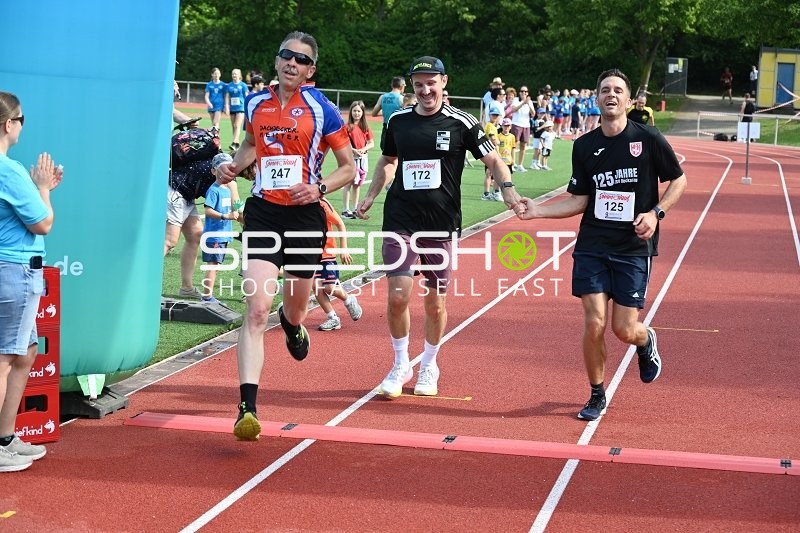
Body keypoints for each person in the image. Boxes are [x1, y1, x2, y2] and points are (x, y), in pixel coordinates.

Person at [514, 68, 687, 421]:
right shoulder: (585, 145)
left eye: (617, 90)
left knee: (623, 330)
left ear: (628, 100)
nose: (611, 94)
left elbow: (679, 180)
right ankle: (596, 393)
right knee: (594, 324)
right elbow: (579, 200)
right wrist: (538, 212)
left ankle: (646, 339)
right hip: (592, 245)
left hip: (633, 248)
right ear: (597, 98)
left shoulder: (649, 138)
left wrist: (656, 213)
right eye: (605, 89)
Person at [215, 31, 355, 441]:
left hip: (305, 216)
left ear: (311, 69)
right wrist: (232, 166)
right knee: (256, 308)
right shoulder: (255, 101)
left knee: (294, 305)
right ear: (276, 61)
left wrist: (320, 189)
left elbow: (348, 167)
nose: (291, 63)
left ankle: (292, 324)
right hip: (262, 213)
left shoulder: (322, 108)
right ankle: (247, 408)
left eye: (301, 59)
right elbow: (250, 148)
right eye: (286, 56)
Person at [356, 56, 521, 399]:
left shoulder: (463, 122)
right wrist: (371, 194)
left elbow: (493, 159)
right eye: (419, 84)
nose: (425, 89)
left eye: (431, 82)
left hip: (442, 224)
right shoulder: (399, 121)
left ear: (444, 82)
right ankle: (401, 363)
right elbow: (388, 160)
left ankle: (430, 363)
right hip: (401, 219)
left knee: (435, 302)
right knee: (399, 296)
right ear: (413, 87)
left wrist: (507, 190)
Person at [0, 91, 62, 472]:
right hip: (14, 270)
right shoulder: (9, 170)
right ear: (8, 124)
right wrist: (42, 188)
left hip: (13, 269)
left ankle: (5, 436)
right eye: (21, 119)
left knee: (24, 354)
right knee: (6, 357)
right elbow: (43, 223)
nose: (23, 125)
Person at [314, 197, 363, 331]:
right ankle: (333, 318)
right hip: (311, 256)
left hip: (326, 254)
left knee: (330, 288)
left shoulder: (322, 204)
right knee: (316, 287)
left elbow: (340, 223)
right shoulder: (297, 207)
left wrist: (344, 249)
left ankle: (349, 299)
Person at [200, 153, 241, 303]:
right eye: (222, 169)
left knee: (216, 265)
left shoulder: (229, 188)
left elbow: (236, 206)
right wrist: (225, 216)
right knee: (213, 265)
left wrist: (236, 210)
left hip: (223, 235)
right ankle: (206, 296)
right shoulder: (214, 190)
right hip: (214, 236)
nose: (226, 172)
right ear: (214, 171)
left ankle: (208, 295)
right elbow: (208, 211)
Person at [342, 100, 374, 218]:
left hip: (362, 160)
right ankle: (346, 210)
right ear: (351, 112)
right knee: (348, 184)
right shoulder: (347, 127)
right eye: (354, 111)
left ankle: (355, 208)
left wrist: (364, 149)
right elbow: (344, 143)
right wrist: (354, 150)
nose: (356, 113)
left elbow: (371, 143)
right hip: (351, 160)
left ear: (362, 113)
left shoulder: (365, 127)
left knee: (357, 184)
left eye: (359, 111)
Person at [371, 76, 405, 150]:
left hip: (386, 129)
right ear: (402, 86)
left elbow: (374, 113)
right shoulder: (401, 98)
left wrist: (386, 111)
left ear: (392, 85)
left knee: (385, 154)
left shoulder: (382, 97)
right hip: (397, 129)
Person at [509, 85, 535, 172]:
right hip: (516, 124)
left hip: (526, 125)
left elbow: (533, 113)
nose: (524, 93)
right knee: (514, 145)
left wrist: (528, 104)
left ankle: (520, 164)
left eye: (526, 92)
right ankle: (512, 163)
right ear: (519, 92)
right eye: (522, 91)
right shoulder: (516, 100)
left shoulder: (529, 101)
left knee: (523, 146)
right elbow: (514, 110)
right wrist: (523, 103)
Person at [224, 69, 249, 151]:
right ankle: (237, 144)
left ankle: (234, 142)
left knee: (237, 125)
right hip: (232, 108)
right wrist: (227, 107)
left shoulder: (243, 85)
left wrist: (247, 106)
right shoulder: (229, 85)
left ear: (239, 75)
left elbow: (246, 97)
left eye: (235, 74)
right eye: (233, 74)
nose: (234, 75)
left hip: (241, 107)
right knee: (233, 126)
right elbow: (227, 97)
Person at [205, 67, 226, 133]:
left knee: (215, 122)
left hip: (219, 106)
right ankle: (215, 138)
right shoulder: (209, 84)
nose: (216, 75)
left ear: (220, 74)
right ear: (212, 74)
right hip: (211, 106)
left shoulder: (223, 85)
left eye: (218, 74)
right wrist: (209, 103)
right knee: (214, 124)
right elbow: (206, 96)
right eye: (215, 74)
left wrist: (226, 105)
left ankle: (216, 139)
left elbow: (226, 96)